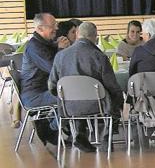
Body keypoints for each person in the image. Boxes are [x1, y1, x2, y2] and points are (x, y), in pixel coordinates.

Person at [48, 22, 123, 152]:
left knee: (78, 98)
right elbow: (111, 85)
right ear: (95, 36)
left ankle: (80, 133)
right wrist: (119, 99)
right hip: (97, 104)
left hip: (69, 106)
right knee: (113, 97)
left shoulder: (60, 56)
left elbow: (52, 85)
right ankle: (107, 134)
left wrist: (64, 96)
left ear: (77, 34)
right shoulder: (99, 56)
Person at [19, 13, 62, 147]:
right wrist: (61, 50)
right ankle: (50, 128)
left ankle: (48, 124)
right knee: (70, 98)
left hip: (44, 91)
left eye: (56, 24)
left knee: (70, 94)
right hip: (34, 95)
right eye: (52, 26)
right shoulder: (35, 47)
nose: (56, 29)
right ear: (40, 28)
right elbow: (54, 68)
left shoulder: (45, 44)